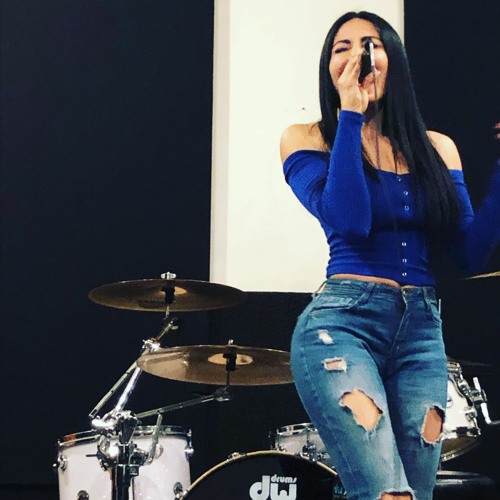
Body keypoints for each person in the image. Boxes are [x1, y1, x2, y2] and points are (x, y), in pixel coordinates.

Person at [280, 11, 500, 500]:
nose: (358, 55)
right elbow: (349, 219)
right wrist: (351, 116)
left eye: (371, 44)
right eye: (342, 48)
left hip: (422, 334)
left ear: (393, 60)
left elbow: (467, 255)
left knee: (415, 494)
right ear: (329, 68)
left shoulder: (436, 148)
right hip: (342, 326)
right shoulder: (307, 138)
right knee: (386, 493)